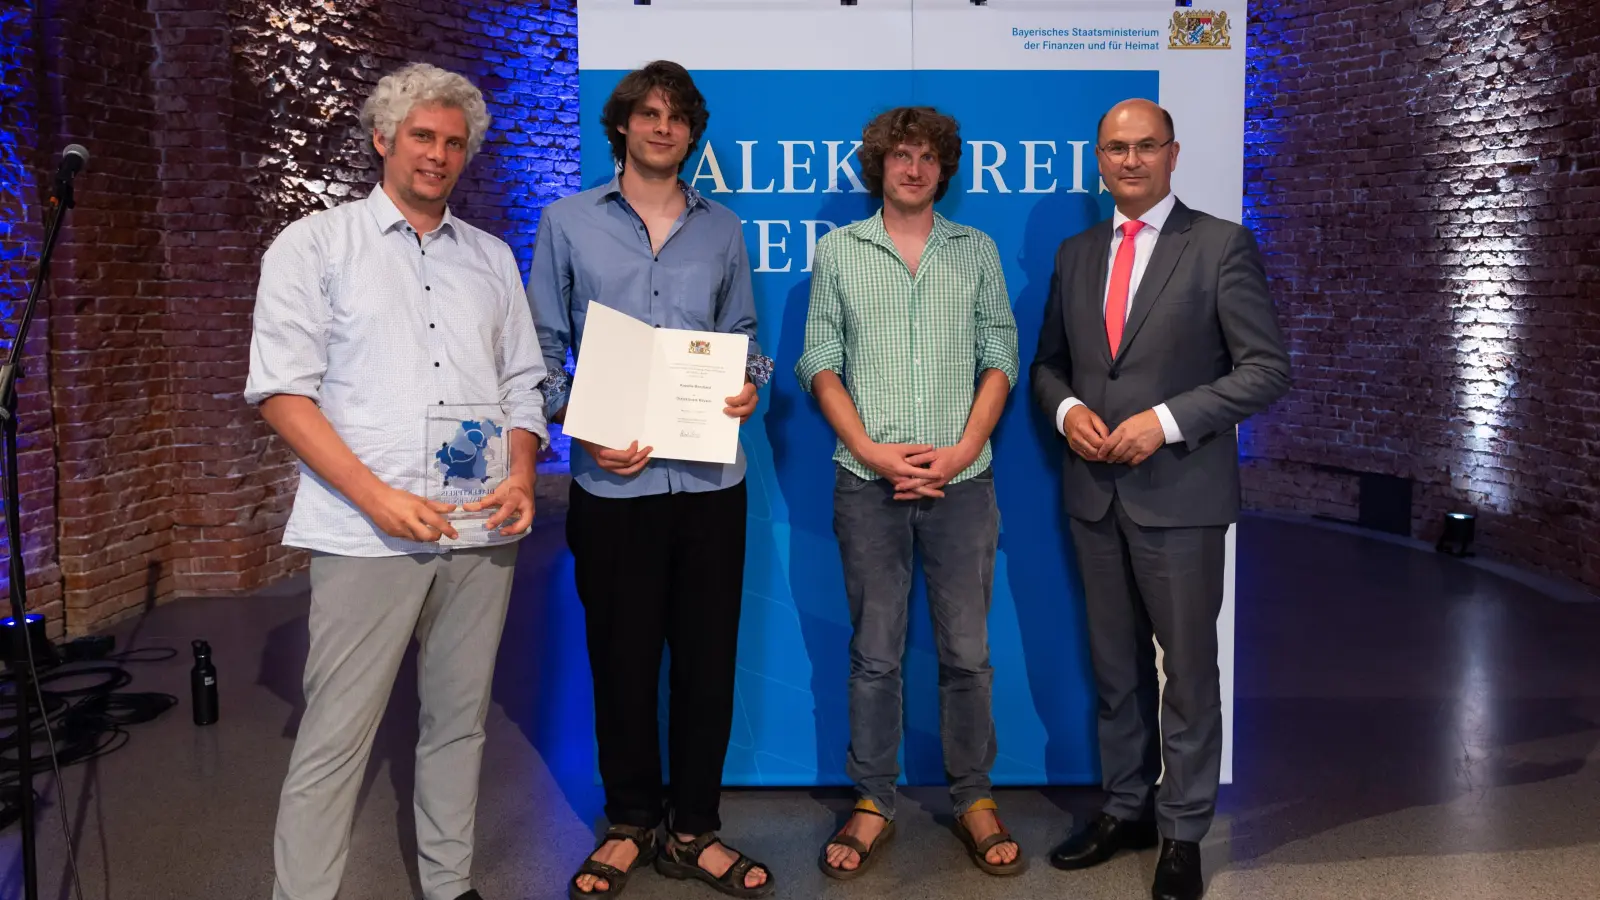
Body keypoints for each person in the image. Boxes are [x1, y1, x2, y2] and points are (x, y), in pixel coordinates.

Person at [245, 63, 547, 900]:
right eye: (422, 136)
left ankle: (449, 886)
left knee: (459, 724)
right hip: (364, 529)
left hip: (481, 525)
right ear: (382, 138)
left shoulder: (490, 257)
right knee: (335, 738)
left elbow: (524, 384)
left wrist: (523, 473)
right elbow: (282, 391)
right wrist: (378, 496)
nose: (437, 155)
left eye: (454, 142)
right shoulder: (315, 244)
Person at [525, 60, 775, 900]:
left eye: (678, 117)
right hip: (613, 490)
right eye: (650, 113)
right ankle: (630, 821)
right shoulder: (566, 222)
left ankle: (696, 828)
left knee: (708, 663)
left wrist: (750, 384)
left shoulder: (723, 229)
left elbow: (745, 338)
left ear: (691, 132)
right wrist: (579, 423)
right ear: (623, 125)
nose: (664, 127)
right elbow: (540, 348)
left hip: (710, 485)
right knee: (621, 660)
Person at [1031, 98, 1291, 900]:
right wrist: (1068, 412)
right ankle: (1126, 809)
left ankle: (1182, 831)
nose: (1132, 160)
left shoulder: (1220, 245)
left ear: (1173, 155)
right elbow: (1048, 365)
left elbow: (1265, 370)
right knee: (1115, 672)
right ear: (1099, 160)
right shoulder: (1077, 253)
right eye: (1117, 148)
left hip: (1181, 496)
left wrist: (1165, 421)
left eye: (1147, 146)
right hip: (1094, 497)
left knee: (1187, 674)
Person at [795, 105, 1024, 880]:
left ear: (943, 168)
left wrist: (961, 452)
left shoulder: (975, 250)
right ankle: (872, 799)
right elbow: (820, 357)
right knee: (875, 653)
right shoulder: (840, 251)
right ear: (879, 165)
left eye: (927, 157)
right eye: (901, 155)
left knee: (969, 654)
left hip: (964, 481)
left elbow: (1000, 354)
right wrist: (869, 450)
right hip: (867, 482)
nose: (914, 168)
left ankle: (974, 796)